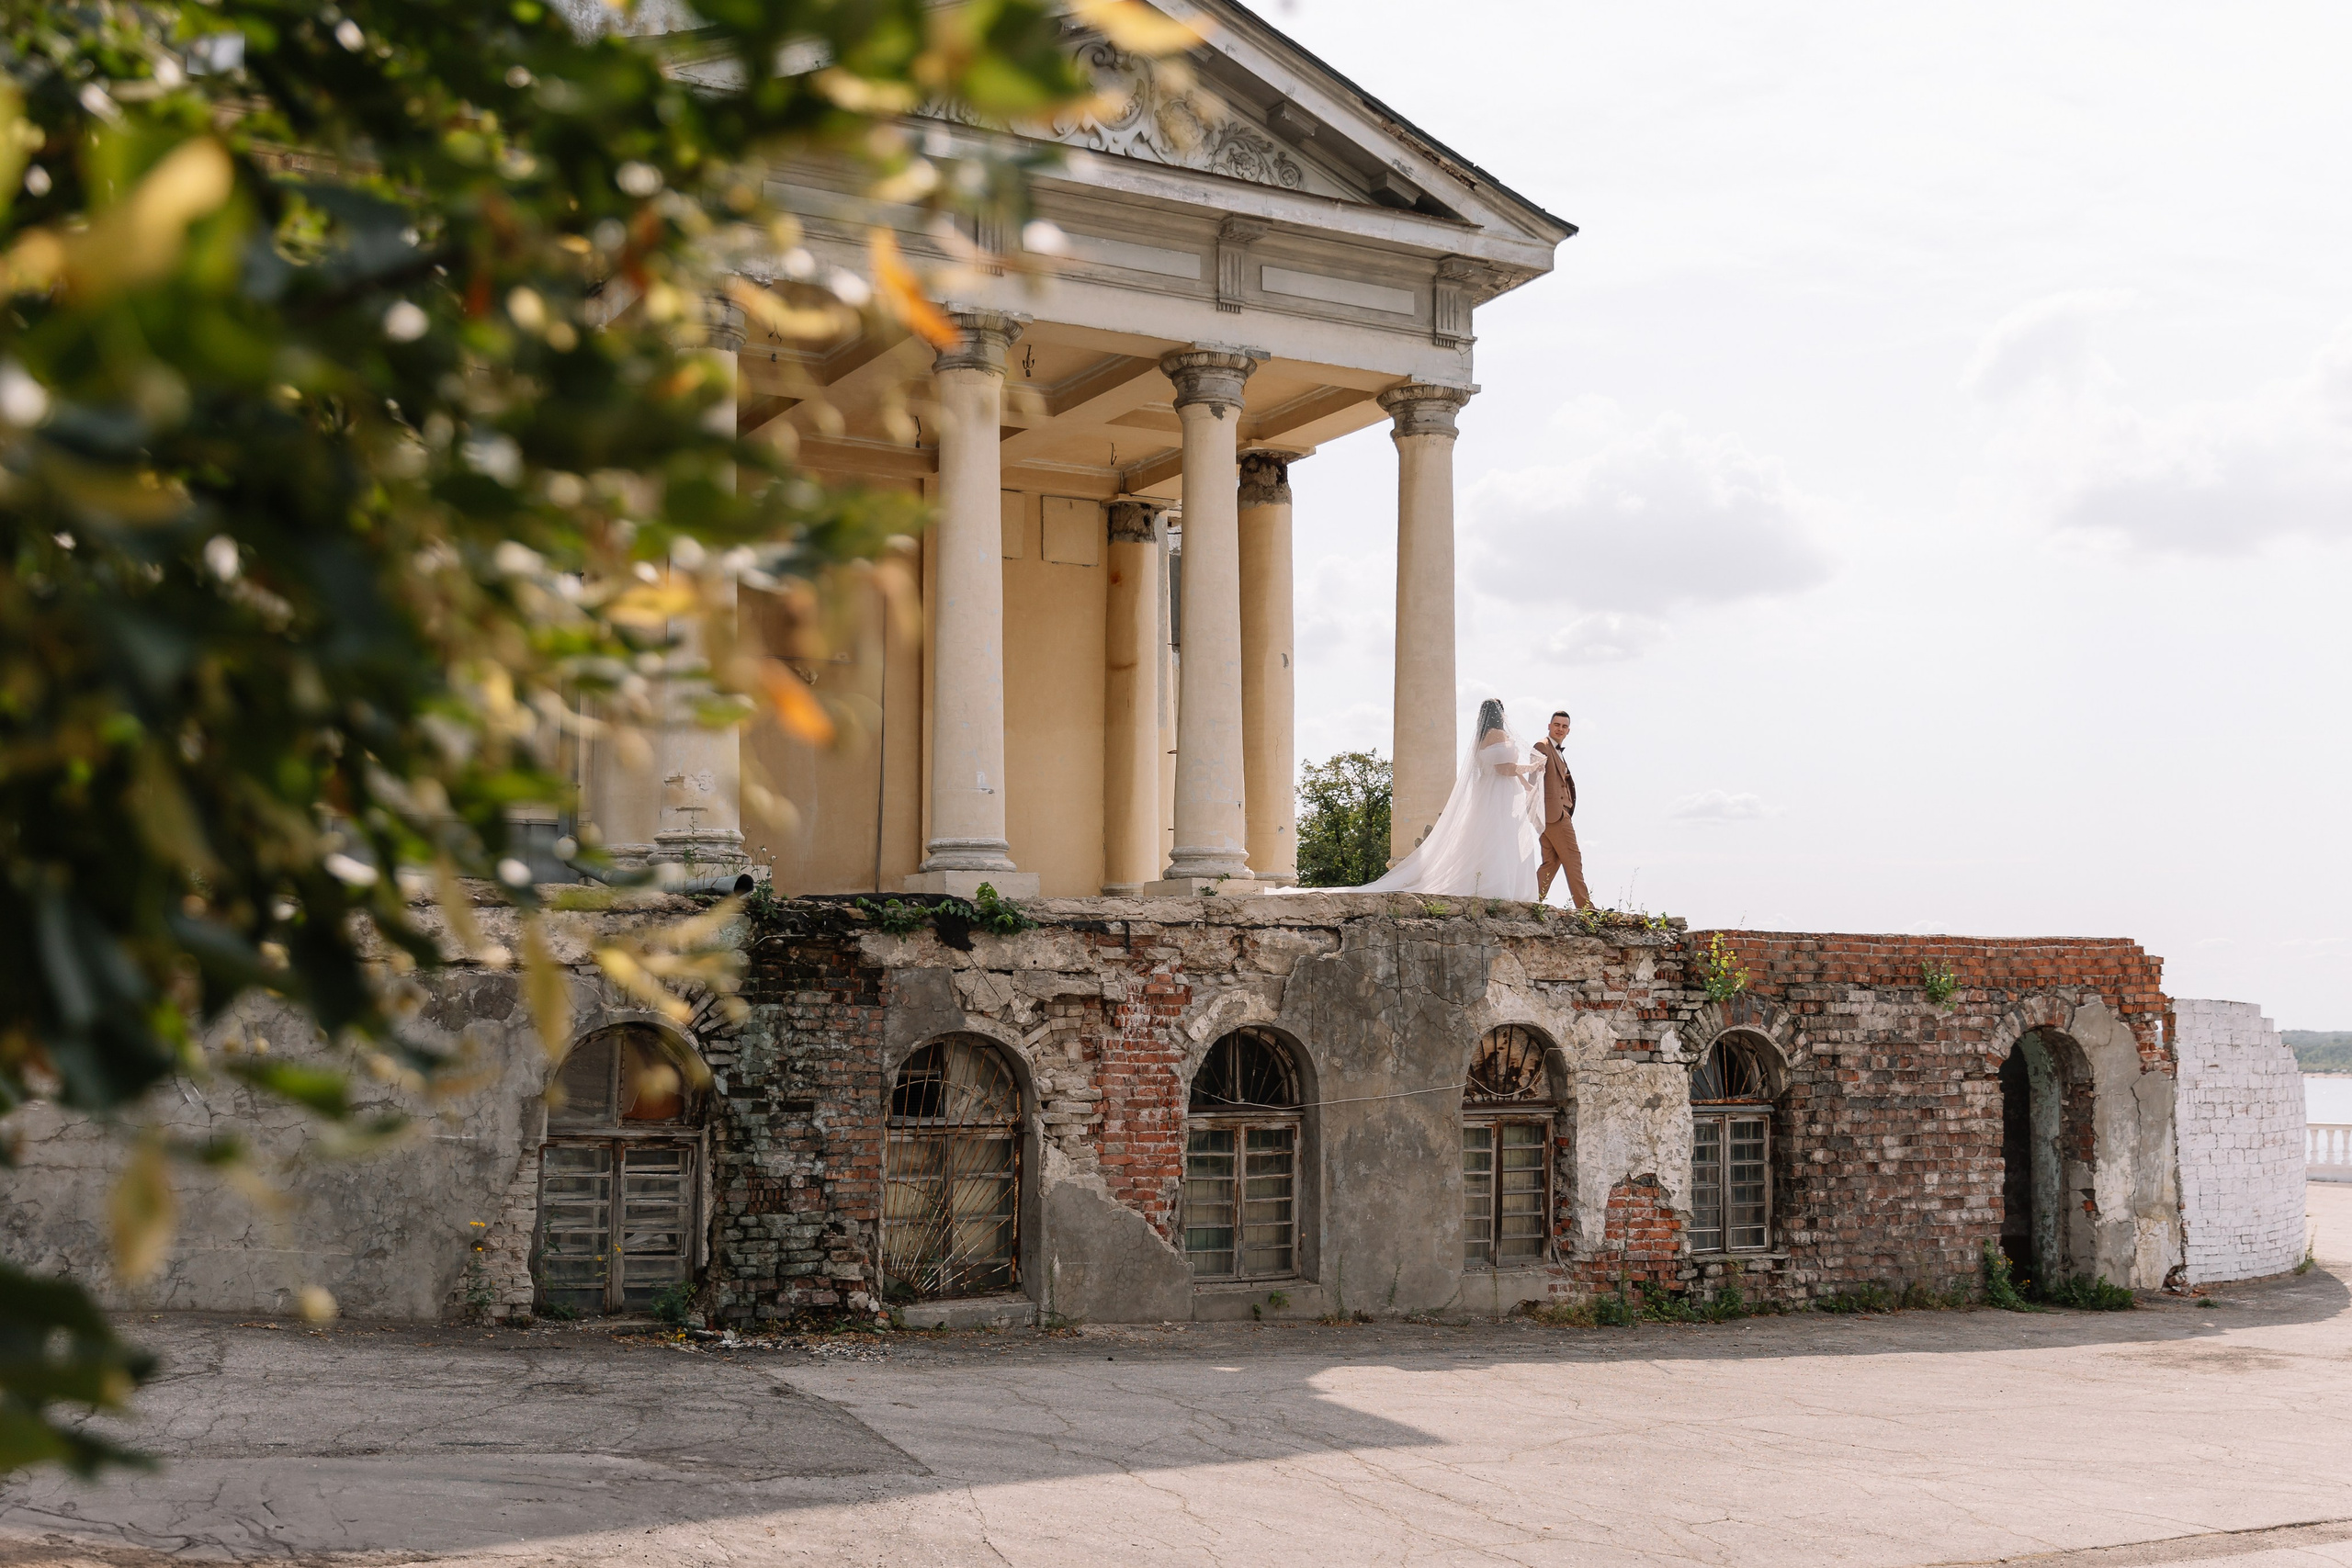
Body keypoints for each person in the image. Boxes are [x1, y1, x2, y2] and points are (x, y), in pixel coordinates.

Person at [1293, 698, 1541, 898]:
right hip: (1498, 794)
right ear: (1500, 714)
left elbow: (1500, 767)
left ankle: (1493, 886)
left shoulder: (1480, 739)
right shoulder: (1497, 734)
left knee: (1492, 838)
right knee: (1500, 838)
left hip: (1495, 794)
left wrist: (1526, 786)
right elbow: (1503, 769)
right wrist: (1531, 768)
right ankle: (1499, 889)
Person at [1532, 710, 1594, 910]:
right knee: (1573, 858)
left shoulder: (1556, 750)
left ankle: (1530, 901)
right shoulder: (1542, 746)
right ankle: (1585, 907)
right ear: (1549, 726)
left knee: (1551, 862)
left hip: (1554, 814)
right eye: (1556, 725)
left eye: (1564, 726)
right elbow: (1534, 780)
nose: (1560, 729)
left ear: (1568, 730)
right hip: (1554, 815)